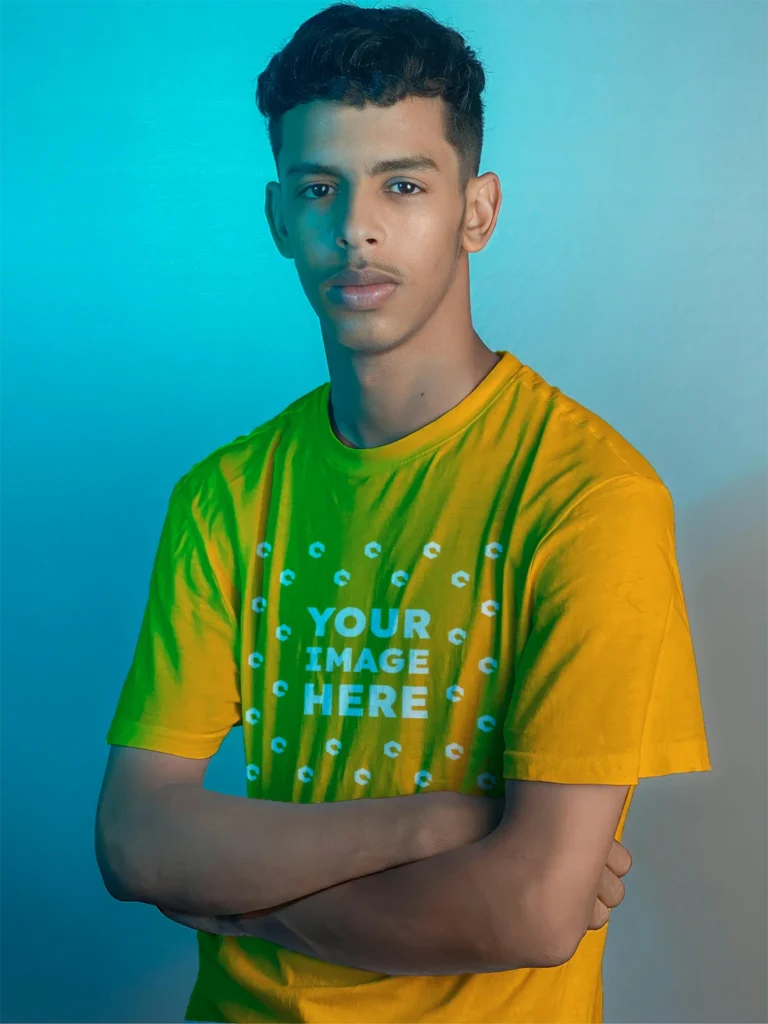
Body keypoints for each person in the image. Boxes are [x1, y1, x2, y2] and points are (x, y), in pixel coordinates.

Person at [96, 4, 712, 1021]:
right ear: (278, 216)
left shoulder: (589, 498)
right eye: (320, 188)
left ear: (478, 209)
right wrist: (431, 826)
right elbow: (133, 840)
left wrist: (235, 906)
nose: (357, 229)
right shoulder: (227, 495)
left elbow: (532, 909)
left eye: (404, 184)